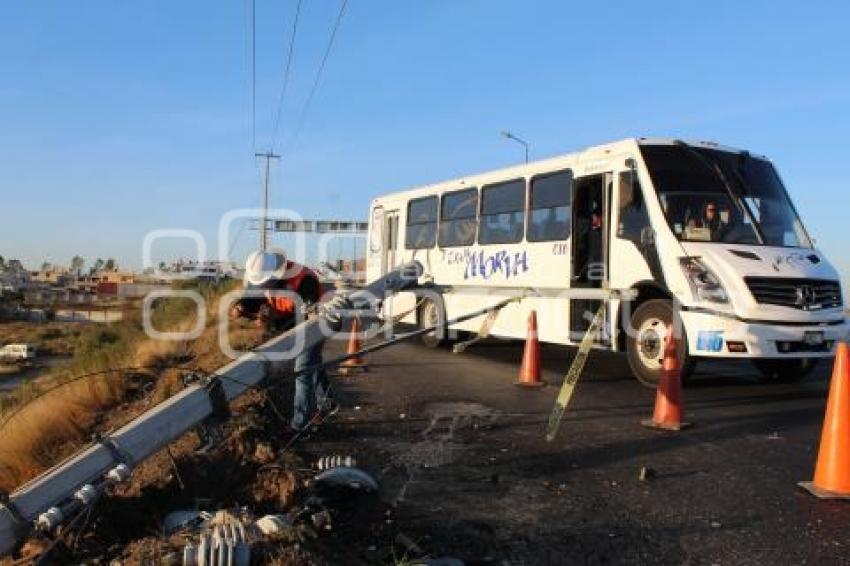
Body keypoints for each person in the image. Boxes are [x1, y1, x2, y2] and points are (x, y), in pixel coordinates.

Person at [230, 249, 339, 438]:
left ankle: (300, 425)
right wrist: (242, 306)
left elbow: (307, 315)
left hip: (314, 324)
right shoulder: (266, 278)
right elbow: (255, 297)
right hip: (293, 325)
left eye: (266, 282)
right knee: (313, 364)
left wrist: (274, 320)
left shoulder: (304, 281)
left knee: (302, 369)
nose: (265, 286)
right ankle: (327, 403)